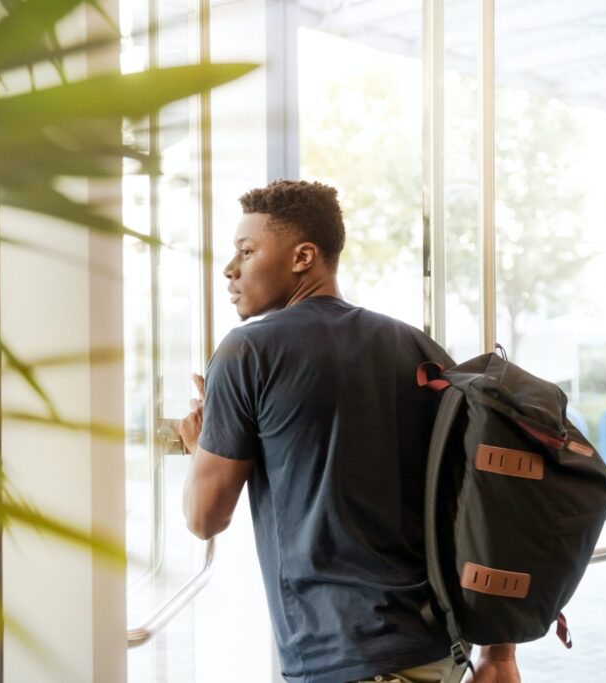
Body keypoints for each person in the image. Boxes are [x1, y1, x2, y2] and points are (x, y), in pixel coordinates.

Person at [178, 180, 520, 683]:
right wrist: (500, 654)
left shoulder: (247, 353)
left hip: (345, 657)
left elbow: (204, 518)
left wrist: (200, 448)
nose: (230, 269)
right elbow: (480, 497)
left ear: (304, 256)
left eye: (246, 251)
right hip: (439, 648)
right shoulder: (418, 348)